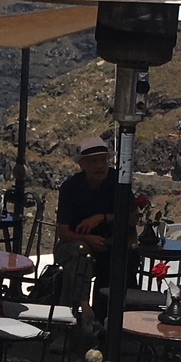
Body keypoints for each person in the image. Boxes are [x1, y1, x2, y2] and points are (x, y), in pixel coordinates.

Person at [54, 135, 120, 318]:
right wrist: (86, 239)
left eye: (103, 160)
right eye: (93, 161)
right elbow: (63, 232)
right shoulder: (70, 188)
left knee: (124, 261)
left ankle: (110, 318)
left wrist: (103, 218)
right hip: (73, 245)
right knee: (80, 254)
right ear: (82, 165)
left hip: (109, 245)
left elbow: (131, 216)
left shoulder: (118, 182)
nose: (99, 166)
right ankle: (81, 306)